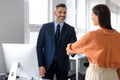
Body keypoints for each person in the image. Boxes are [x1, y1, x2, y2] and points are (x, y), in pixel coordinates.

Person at [66, 4, 120, 80]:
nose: (91, 18)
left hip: (96, 75)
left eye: (92, 15)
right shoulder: (118, 36)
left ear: (98, 16)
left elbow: (72, 48)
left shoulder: (92, 36)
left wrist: (69, 49)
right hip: (113, 75)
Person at [36, 3, 77, 80]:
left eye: (64, 12)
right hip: (47, 65)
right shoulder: (45, 27)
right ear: (55, 13)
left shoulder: (70, 29)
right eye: (60, 12)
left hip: (63, 65)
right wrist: (40, 65)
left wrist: (74, 50)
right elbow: (39, 47)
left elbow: (74, 46)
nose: (62, 14)